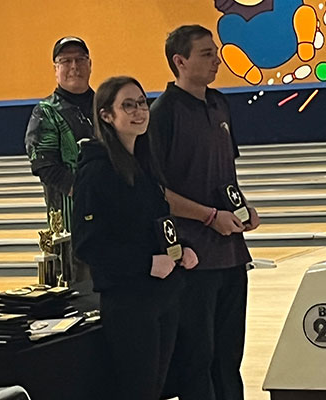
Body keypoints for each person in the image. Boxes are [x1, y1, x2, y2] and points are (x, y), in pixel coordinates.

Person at [147, 25, 260, 400]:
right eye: (206, 54)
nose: (217, 59)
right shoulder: (163, 113)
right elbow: (156, 190)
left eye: (215, 51)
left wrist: (244, 208)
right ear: (180, 61)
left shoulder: (219, 103)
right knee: (198, 357)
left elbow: (227, 171)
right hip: (194, 255)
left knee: (229, 355)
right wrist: (209, 217)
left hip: (230, 251)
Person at [71, 76, 198, 400]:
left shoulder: (143, 163)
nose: (140, 111)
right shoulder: (96, 172)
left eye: (142, 102)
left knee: (158, 389)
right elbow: (88, 244)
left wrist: (180, 250)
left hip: (162, 295)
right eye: (128, 105)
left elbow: (152, 226)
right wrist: (144, 263)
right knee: (137, 391)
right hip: (129, 302)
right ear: (106, 115)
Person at [25, 36, 94, 286]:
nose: (74, 66)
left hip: (113, 226)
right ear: (56, 69)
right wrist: (86, 193)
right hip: (71, 230)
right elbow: (45, 166)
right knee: (80, 298)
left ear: (90, 64)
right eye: (65, 61)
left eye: (79, 59)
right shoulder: (46, 112)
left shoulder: (106, 106)